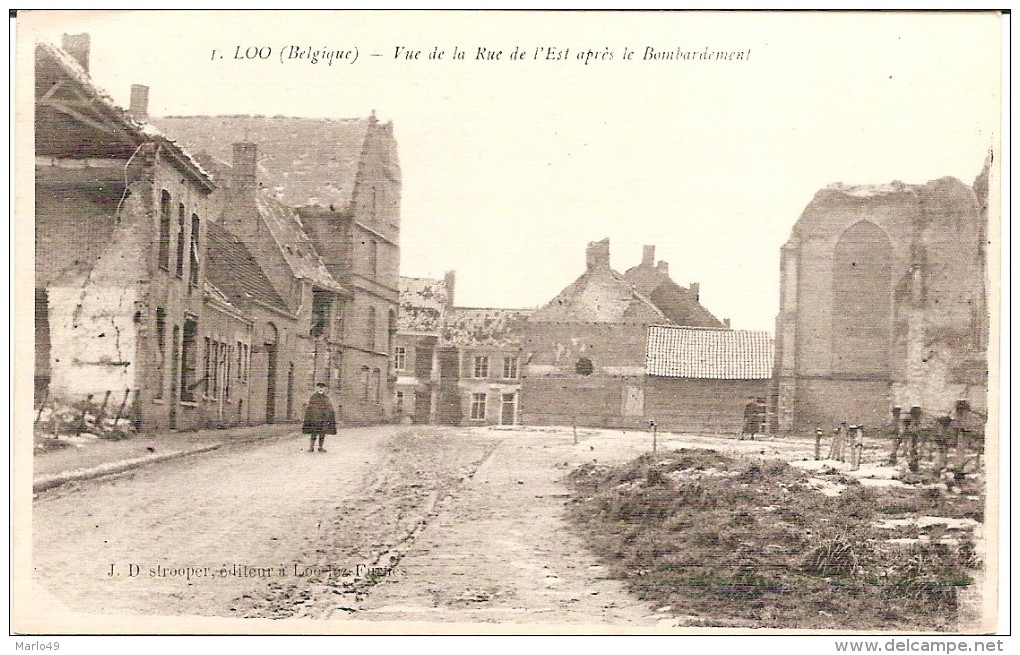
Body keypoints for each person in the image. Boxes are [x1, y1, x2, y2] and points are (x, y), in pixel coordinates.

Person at [302, 382, 337, 452]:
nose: (321, 389)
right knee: (314, 433)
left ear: (324, 389)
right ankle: (311, 447)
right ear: (317, 388)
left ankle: (320, 447)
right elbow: (310, 408)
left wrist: (329, 416)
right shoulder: (313, 397)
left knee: (322, 433)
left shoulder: (326, 398)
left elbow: (329, 407)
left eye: (322, 388)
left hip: (324, 419)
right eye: (319, 387)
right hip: (315, 419)